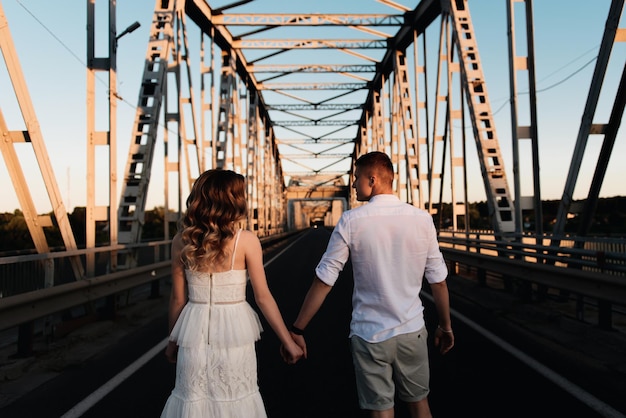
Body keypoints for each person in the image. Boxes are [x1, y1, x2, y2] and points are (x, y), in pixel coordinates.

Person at [287, 151, 454, 418]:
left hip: (369, 334)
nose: (352, 184)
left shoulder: (352, 221)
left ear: (373, 179)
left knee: (380, 412)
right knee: (420, 404)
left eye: (356, 178)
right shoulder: (421, 219)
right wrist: (445, 326)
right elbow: (439, 281)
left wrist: (298, 328)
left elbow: (325, 280)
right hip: (412, 330)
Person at [160, 169, 303, 418]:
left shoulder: (182, 241)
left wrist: (173, 342)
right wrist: (287, 341)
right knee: (236, 399)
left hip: (194, 332)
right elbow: (263, 297)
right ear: (233, 200)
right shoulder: (246, 241)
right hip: (234, 333)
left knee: (194, 401)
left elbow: (178, 299)